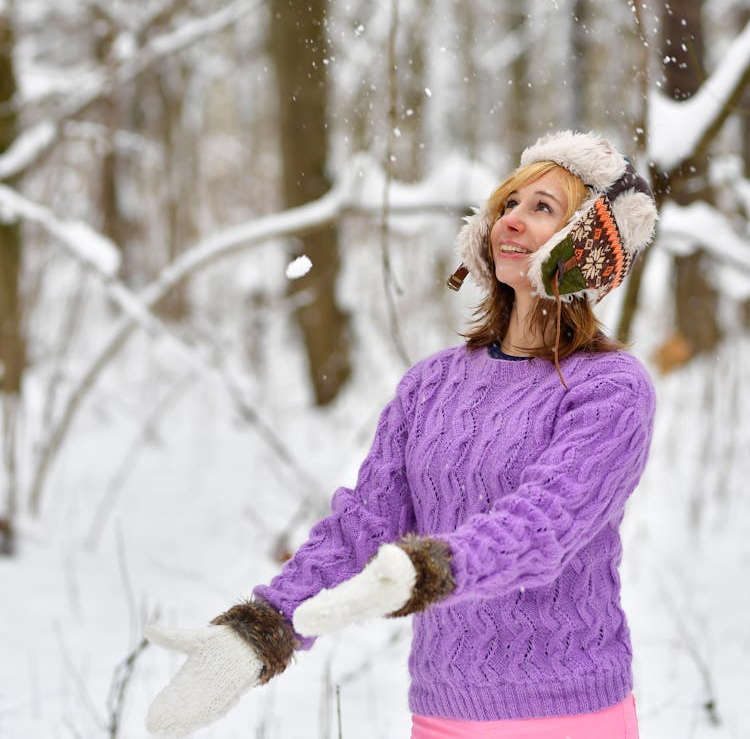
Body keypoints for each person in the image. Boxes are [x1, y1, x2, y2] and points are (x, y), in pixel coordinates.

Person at [145, 130, 658, 739]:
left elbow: (543, 526)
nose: (511, 220)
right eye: (509, 204)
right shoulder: (431, 384)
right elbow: (365, 524)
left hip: (566, 713)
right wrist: (264, 628)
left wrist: (430, 568)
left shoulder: (611, 389)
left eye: (543, 208)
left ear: (589, 247)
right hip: (441, 711)